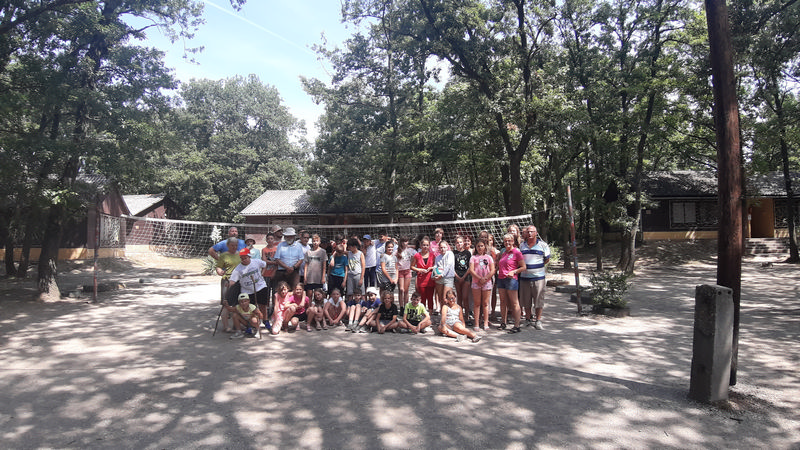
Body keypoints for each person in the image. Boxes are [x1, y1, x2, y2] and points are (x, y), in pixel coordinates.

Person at [519, 225, 551, 330]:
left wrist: (537, 267)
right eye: (528, 232)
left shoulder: (543, 245)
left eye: (532, 231)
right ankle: (528, 319)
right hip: (524, 277)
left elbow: (546, 259)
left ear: (536, 233)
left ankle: (538, 320)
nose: (530, 233)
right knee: (526, 300)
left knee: (538, 300)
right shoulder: (521, 245)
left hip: (539, 278)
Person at [228, 248, 269, 325]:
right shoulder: (238, 269)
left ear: (249, 256)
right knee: (250, 308)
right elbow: (232, 280)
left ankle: (265, 320)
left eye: (245, 258)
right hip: (247, 290)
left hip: (260, 286)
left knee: (263, 305)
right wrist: (229, 285)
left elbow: (265, 265)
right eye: (242, 258)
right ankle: (253, 323)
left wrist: (262, 273)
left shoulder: (256, 262)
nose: (244, 260)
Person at [496, 233, 526, 333]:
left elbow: (523, 267)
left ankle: (517, 325)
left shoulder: (517, 252)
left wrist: (514, 271)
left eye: (509, 241)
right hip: (501, 278)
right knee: (503, 301)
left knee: (514, 302)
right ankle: (503, 322)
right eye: (505, 241)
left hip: (511, 280)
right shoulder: (504, 252)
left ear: (513, 241)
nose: (507, 243)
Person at [215, 237, 241, 333]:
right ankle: (226, 326)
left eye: (236, 245)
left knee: (238, 303)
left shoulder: (240, 254)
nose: (234, 247)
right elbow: (218, 266)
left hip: (239, 281)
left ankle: (237, 325)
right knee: (226, 303)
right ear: (228, 245)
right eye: (232, 245)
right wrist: (219, 271)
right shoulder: (224, 255)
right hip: (227, 280)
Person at [469, 239, 495, 331]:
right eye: (478, 246)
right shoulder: (473, 258)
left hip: (487, 282)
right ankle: (476, 323)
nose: (480, 248)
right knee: (477, 303)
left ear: (485, 247)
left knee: (485, 303)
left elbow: (492, 270)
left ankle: (485, 322)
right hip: (476, 282)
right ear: (476, 247)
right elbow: (471, 270)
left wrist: (485, 278)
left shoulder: (489, 257)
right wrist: (479, 278)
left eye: (482, 246)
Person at [411, 237, 436, 313]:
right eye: (424, 245)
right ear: (421, 246)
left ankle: (430, 313)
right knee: (422, 297)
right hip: (421, 279)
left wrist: (431, 268)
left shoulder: (432, 255)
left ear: (429, 246)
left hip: (430, 279)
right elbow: (412, 266)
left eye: (427, 245)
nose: (425, 247)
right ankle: (423, 313)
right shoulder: (417, 255)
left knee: (430, 297)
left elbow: (436, 266)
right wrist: (419, 270)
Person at [452, 235, 472, 323]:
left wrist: (464, 277)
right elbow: (452, 266)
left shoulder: (467, 253)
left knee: (465, 297)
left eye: (460, 242)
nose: (459, 244)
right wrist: (457, 276)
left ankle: (467, 316)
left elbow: (470, 266)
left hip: (466, 275)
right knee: (459, 297)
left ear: (463, 243)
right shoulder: (453, 253)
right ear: (455, 244)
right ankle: (460, 317)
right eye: (457, 242)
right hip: (457, 275)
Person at [433, 240, 455, 312]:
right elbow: (435, 266)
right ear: (439, 248)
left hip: (448, 278)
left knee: (446, 297)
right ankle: (443, 314)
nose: (443, 249)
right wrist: (434, 275)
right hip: (439, 278)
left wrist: (442, 275)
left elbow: (448, 265)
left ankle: (449, 313)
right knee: (441, 298)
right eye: (441, 247)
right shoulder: (437, 257)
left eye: (444, 247)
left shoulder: (450, 254)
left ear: (447, 247)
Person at [395, 237, 416, 309]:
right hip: (400, 271)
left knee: (406, 290)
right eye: (403, 242)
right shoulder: (397, 250)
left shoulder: (410, 250)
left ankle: (406, 306)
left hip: (407, 271)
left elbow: (417, 255)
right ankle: (401, 306)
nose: (404, 243)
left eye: (406, 241)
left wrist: (412, 264)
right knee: (401, 289)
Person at [261, 232, 279, 309]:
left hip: (275, 273)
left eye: (271, 238)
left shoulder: (277, 249)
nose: (270, 240)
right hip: (266, 273)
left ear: (274, 239)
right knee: (266, 292)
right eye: (268, 239)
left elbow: (279, 261)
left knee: (275, 292)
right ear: (266, 240)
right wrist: (274, 262)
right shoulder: (264, 250)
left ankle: (274, 308)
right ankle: (267, 308)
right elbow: (264, 261)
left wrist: (275, 268)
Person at [346, 238, 366, 302]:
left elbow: (363, 267)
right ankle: (349, 304)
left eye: (350, 247)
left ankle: (363, 305)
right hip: (350, 275)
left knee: (361, 293)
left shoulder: (360, 254)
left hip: (358, 275)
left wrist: (361, 279)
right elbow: (339, 250)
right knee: (350, 293)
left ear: (354, 246)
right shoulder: (349, 253)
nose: (349, 248)